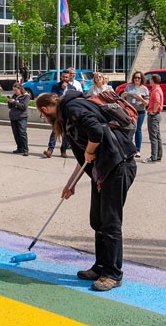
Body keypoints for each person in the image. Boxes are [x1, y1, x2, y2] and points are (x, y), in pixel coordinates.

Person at [35, 89, 137, 292]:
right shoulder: (66, 116)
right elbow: (84, 159)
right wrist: (70, 183)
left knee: (110, 223)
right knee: (97, 221)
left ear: (45, 109)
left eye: (41, 113)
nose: (43, 116)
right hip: (103, 170)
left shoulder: (72, 108)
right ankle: (100, 266)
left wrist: (90, 151)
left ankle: (113, 274)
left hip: (117, 165)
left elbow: (96, 133)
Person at [44, 70, 72, 158]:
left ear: (69, 78)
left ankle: (63, 150)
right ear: (61, 77)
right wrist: (61, 89)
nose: (65, 79)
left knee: (66, 133)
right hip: (58, 112)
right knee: (55, 131)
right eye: (63, 77)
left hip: (67, 113)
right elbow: (53, 98)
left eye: (66, 77)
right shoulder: (56, 86)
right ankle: (50, 150)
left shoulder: (72, 87)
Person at [122, 71, 150, 158]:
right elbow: (122, 99)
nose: (137, 79)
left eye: (138, 78)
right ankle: (129, 149)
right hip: (129, 111)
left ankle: (137, 150)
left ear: (141, 79)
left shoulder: (144, 89)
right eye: (135, 78)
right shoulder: (128, 87)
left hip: (140, 111)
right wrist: (123, 95)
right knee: (129, 129)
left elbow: (146, 103)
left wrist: (140, 98)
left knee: (138, 130)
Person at [143, 73, 164, 163]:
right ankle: (158, 155)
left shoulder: (155, 91)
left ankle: (153, 157)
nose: (149, 81)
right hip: (157, 115)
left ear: (153, 80)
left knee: (153, 137)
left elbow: (157, 102)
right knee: (157, 136)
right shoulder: (158, 89)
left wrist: (153, 111)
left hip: (154, 115)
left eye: (150, 80)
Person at [7, 82, 30, 156]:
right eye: (14, 91)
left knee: (22, 133)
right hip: (13, 117)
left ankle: (25, 149)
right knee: (16, 133)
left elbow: (23, 107)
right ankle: (19, 148)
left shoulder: (26, 96)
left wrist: (14, 103)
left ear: (20, 89)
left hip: (21, 117)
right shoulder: (14, 96)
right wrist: (9, 102)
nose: (15, 92)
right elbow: (10, 107)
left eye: (16, 90)